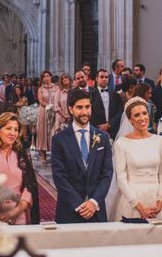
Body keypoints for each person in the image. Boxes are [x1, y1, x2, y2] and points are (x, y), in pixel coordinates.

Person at [51, 88, 113, 223]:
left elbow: (107, 174)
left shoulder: (102, 137)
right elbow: (59, 176)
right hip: (69, 209)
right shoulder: (59, 139)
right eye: (79, 107)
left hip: (96, 209)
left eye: (87, 107)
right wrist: (79, 205)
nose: (84, 112)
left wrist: (93, 201)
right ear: (71, 109)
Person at [111, 98, 162, 221]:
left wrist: (160, 200)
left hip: (156, 200)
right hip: (132, 200)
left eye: (144, 113)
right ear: (130, 120)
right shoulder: (122, 143)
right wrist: (139, 207)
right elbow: (121, 178)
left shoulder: (159, 141)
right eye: (136, 115)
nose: (142, 118)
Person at [0, 112, 40, 225]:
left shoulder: (21, 155)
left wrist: (17, 211)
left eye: (16, 130)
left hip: (19, 215)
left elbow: (29, 186)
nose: (13, 133)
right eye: (8, 128)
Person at [36, 70, 59, 162]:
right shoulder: (40, 89)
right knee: (42, 132)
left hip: (55, 111)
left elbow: (58, 98)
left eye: (48, 76)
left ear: (50, 77)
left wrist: (54, 108)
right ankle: (43, 155)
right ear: (42, 79)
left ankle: (55, 154)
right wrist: (49, 106)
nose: (46, 78)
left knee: (54, 131)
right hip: (43, 111)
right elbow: (40, 101)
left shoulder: (56, 88)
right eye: (44, 76)